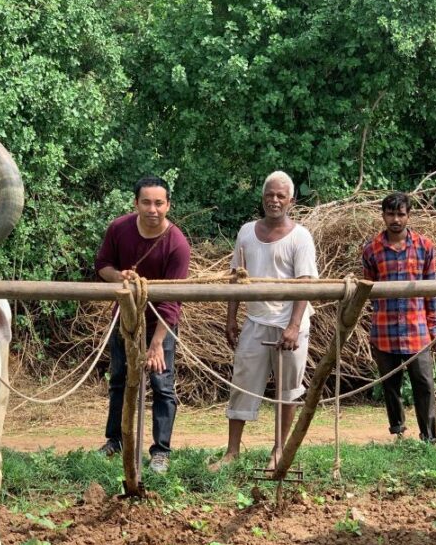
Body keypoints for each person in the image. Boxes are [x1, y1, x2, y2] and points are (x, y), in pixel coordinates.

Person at [210, 171, 318, 471]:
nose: (274, 200)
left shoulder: (301, 237)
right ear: (263, 197)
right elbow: (237, 277)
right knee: (242, 383)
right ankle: (232, 452)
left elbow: (306, 285)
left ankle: (279, 450)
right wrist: (232, 319)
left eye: (280, 195)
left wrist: (293, 327)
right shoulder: (246, 232)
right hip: (255, 321)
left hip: (290, 324)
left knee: (288, 390)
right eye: (270, 194)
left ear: (291, 201)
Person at [94, 176, 191, 473]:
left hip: (162, 322)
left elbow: (173, 301)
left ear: (168, 205)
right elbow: (102, 266)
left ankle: (160, 452)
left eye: (159, 203)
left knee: (162, 385)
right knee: (120, 380)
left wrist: (157, 343)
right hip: (125, 319)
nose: (153, 209)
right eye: (146, 202)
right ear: (135, 203)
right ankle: (116, 440)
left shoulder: (177, 244)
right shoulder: (119, 228)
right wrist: (119, 278)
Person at [361, 191, 436, 443]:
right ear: (383, 215)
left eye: (400, 214)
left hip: (417, 329)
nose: (395, 219)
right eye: (390, 214)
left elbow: (432, 289)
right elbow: (368, 289)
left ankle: (429, 436)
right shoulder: (372, 250)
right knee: (390, 385)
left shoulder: (424, 247)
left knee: (424, 384)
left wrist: (433, 325)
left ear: (408, 216)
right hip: (385, 329)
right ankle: (398, 432)